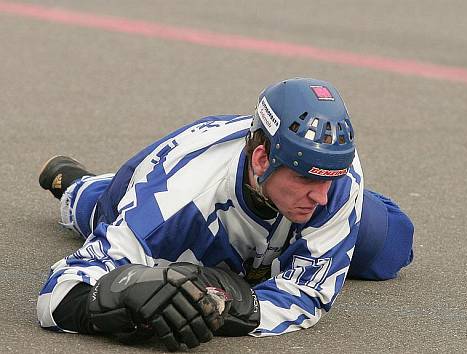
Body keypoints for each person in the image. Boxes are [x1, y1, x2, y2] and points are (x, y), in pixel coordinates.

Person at [37, 78, 414, 351]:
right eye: (305, 178)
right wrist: (118, 294)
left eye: (332, 177)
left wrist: (231, 307)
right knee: (104, 214)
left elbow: (306, 295)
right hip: (178, 176)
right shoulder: (170, 199)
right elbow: (56, 297)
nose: (321, 195)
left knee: (390, 242)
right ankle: (78, 187)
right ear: (263, 159)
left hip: (262, 197)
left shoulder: (334, 179)